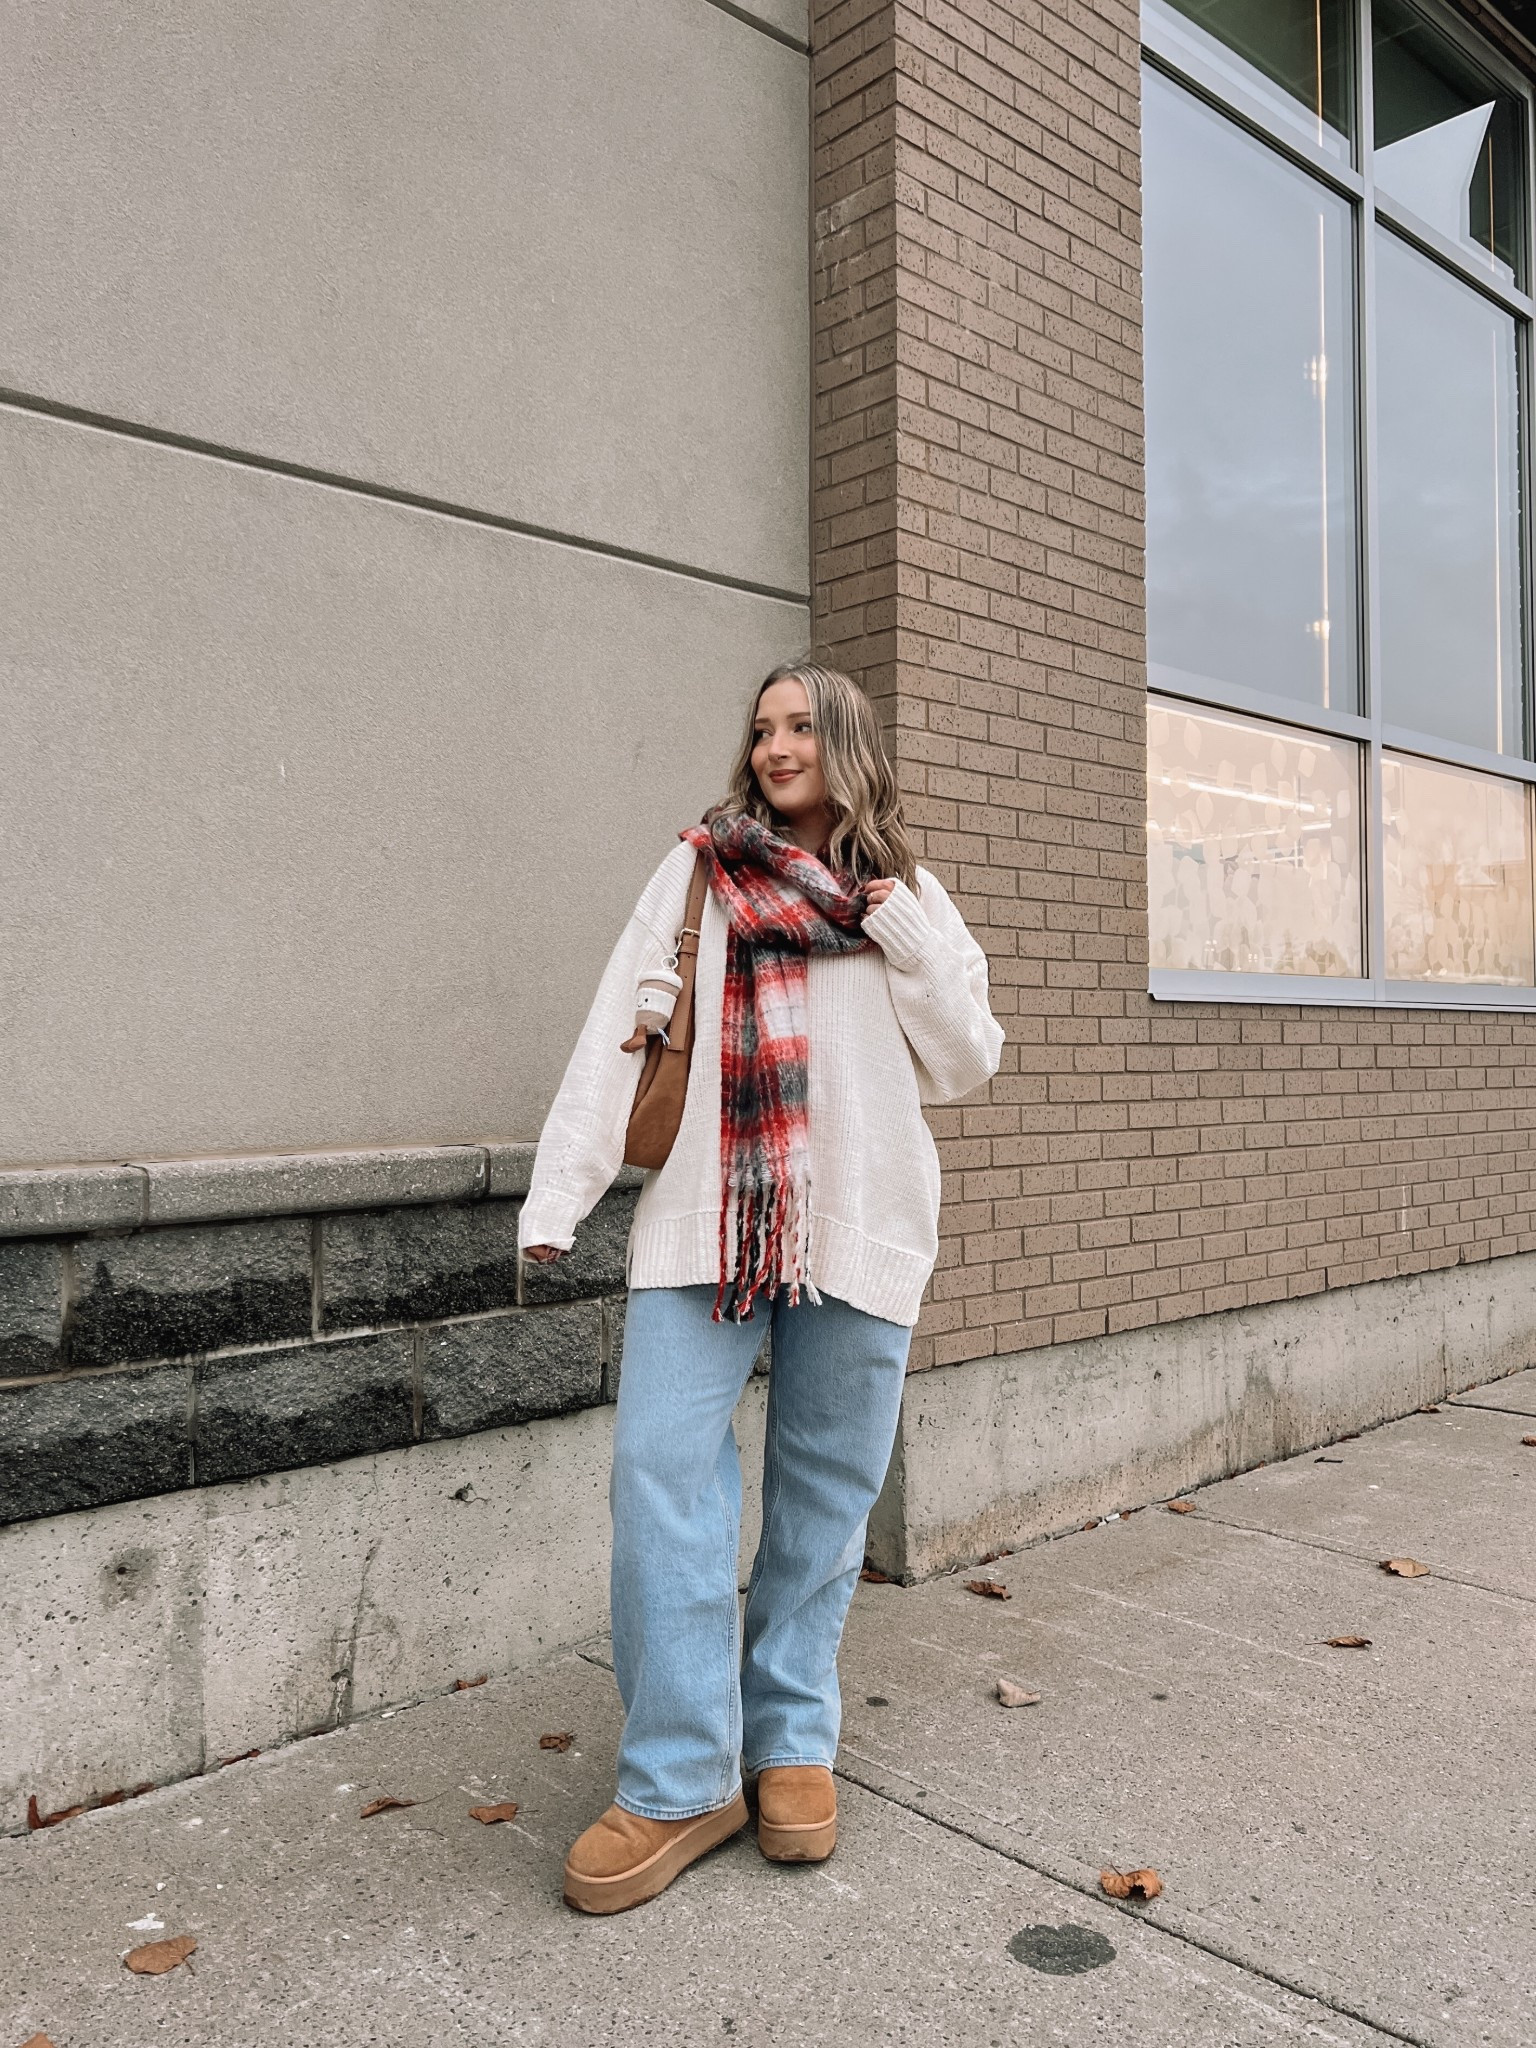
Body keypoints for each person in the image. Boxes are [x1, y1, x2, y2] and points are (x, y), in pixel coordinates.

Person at [518, 658, 1003, 1913]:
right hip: (704, 1223)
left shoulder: (907, 898)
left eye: (801, 724)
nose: (777, 744)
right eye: (762, 726)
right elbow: (610, 1032)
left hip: (859, 1224)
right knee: (659, 1472)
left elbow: (966, 1060)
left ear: (845, 742)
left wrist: (896, 924)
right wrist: (558, 1192)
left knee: (823, 1499)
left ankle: (789, 1739)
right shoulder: (698, 871)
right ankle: (681, 1774)